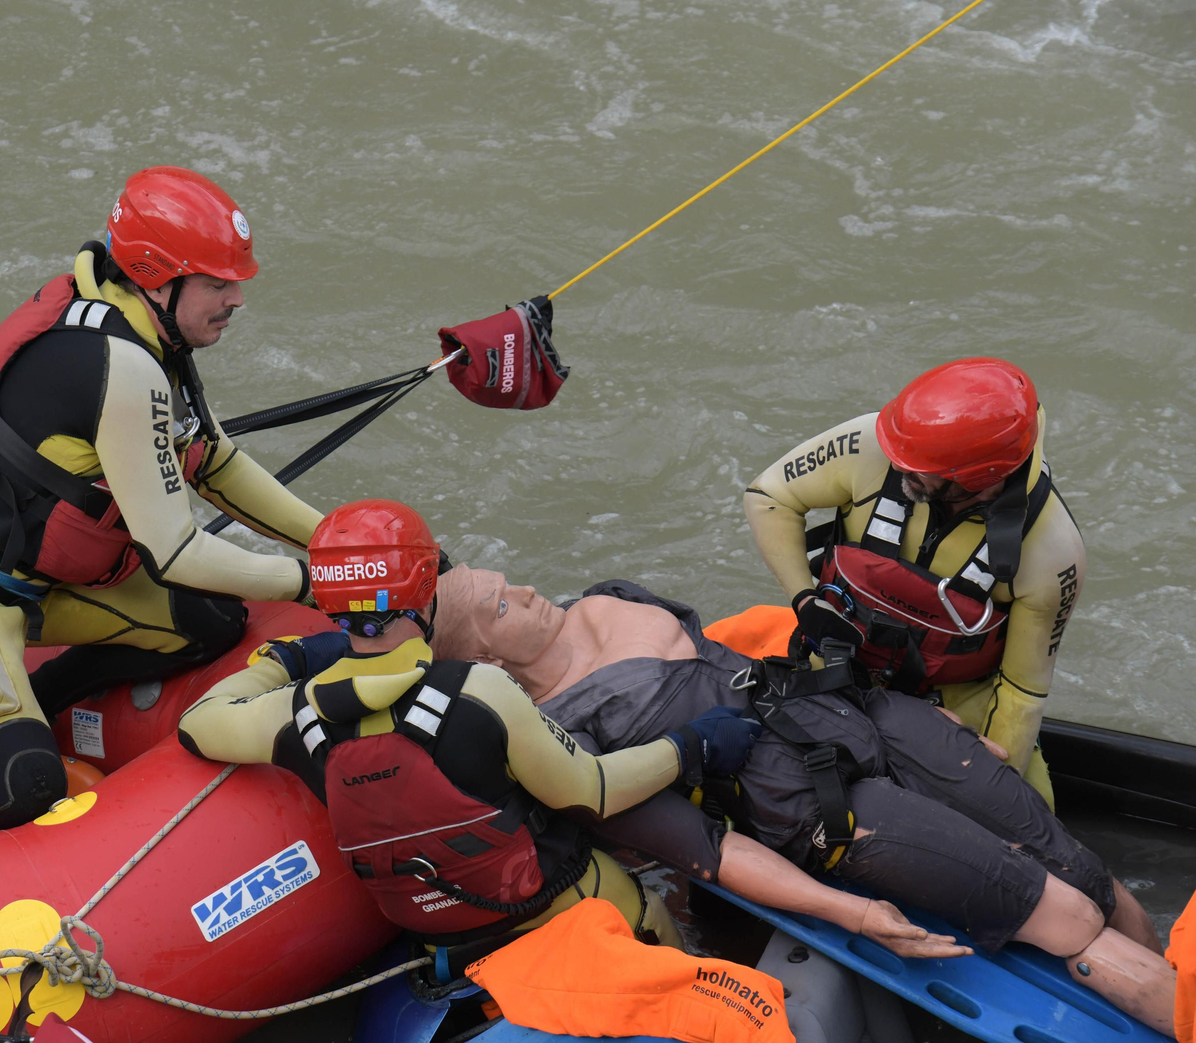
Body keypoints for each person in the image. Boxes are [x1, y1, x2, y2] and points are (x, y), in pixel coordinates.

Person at [0, 167, 324, 860]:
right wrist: (317, 580)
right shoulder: (122, 365)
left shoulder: (131, 321)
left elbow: (214, 465)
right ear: (156, 275)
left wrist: (332, 539)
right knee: (24, 780)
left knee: (214, 623)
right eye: (219, 283)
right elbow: (176, 551)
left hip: (41, 583)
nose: (237, 298)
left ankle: (34, 703)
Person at [431, 566, 1176, 1034]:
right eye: (502, 607)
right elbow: (711, 851)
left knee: (1086, 875)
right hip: (828, 806)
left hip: (861, 718)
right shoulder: (573, 742)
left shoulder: (609, 595)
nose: (526, 591)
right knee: (1068, 916)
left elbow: (753, 659)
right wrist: (850, 911)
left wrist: (914, 708)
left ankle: (1176, 982)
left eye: (510, 580)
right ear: (492, 661)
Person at [177, 500, 762, 955]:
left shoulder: (293, 713)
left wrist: (287, 660)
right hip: (530, 901)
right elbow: (593, 790)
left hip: (422, 922)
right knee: (647, 905)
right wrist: (690, 745)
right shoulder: (481, 689)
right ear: (426, 590)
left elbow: (197, 724)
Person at [742, 357, 1082, 805]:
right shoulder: (876, 443)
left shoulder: (1052, 555)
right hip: (836, 665)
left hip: (952, 707)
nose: (895, 467)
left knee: (1031, 824)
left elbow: (1021, 691)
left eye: (920, 470)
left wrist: (994, 788)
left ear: (979, 480)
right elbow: (770, 497)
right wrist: (804, 599)